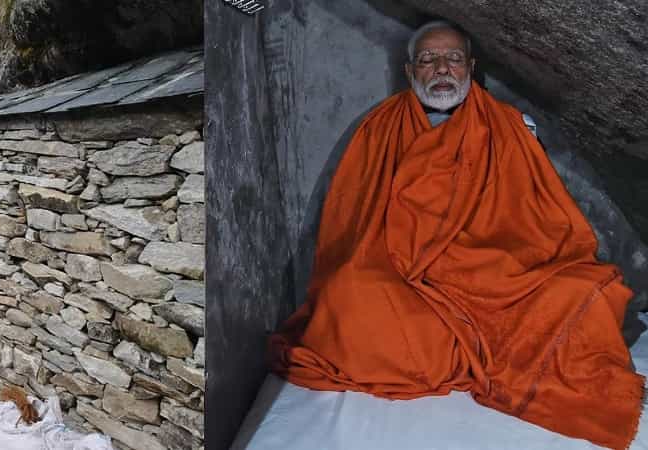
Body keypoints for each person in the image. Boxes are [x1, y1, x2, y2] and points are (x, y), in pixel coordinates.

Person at [268, 20, 643, 450]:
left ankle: (454, 346)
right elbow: (356, 215)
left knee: (579, 292)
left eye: (453, 59)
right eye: (428, 59)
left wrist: (488, 259)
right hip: (398, 264)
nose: (441, 69)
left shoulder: (507, 125)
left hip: (493, 265)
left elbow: (536, 214)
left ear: (470, 67)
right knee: (348, 293)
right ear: (411, 72)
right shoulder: (379, 127)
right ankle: (466, 347)